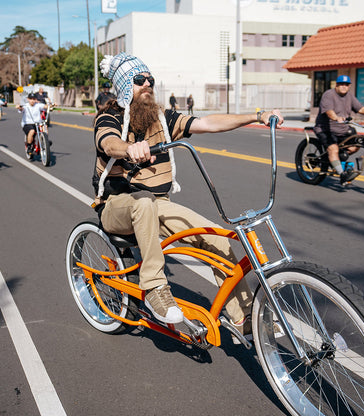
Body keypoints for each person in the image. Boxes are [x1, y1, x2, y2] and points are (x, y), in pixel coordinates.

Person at [93, 52, 283, 336]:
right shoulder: (110, 117)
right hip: (116, 206)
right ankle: (155, 287)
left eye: (150, 80)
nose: (147, 84)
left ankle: (244, 319)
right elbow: (108, 143)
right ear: (123, 85)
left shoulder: (162, 119)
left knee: (217, 238)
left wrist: (257, 116)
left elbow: (208, 123)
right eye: (139, 79)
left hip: (159, 205)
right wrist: (128, 148)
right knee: (142, 201)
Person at [314, 75, 364, 185]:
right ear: (337, 85)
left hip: (343, 129)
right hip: (325, 128)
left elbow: (360, 108)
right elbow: (329, 110)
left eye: (346, 85)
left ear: (349, 86)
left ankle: (338, 158)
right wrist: (336, 117)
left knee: (357, 144)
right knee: (333, 148)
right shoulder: (328, 95)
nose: (344, 86)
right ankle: (342, 174)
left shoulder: (349, 96)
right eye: (341, 84)